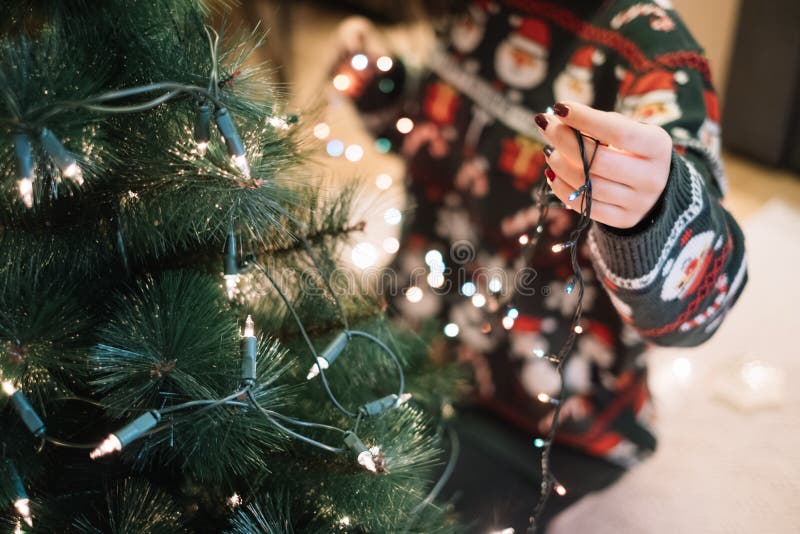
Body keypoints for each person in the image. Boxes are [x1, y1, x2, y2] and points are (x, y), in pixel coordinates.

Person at [331, 0, 747, 530]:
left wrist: (654, 211)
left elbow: (703, 302)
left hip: (550, 431)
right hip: (411, 357)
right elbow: (436, 144)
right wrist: (381, 90)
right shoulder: (474, 13)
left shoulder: (653, 54)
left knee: (366, 516)